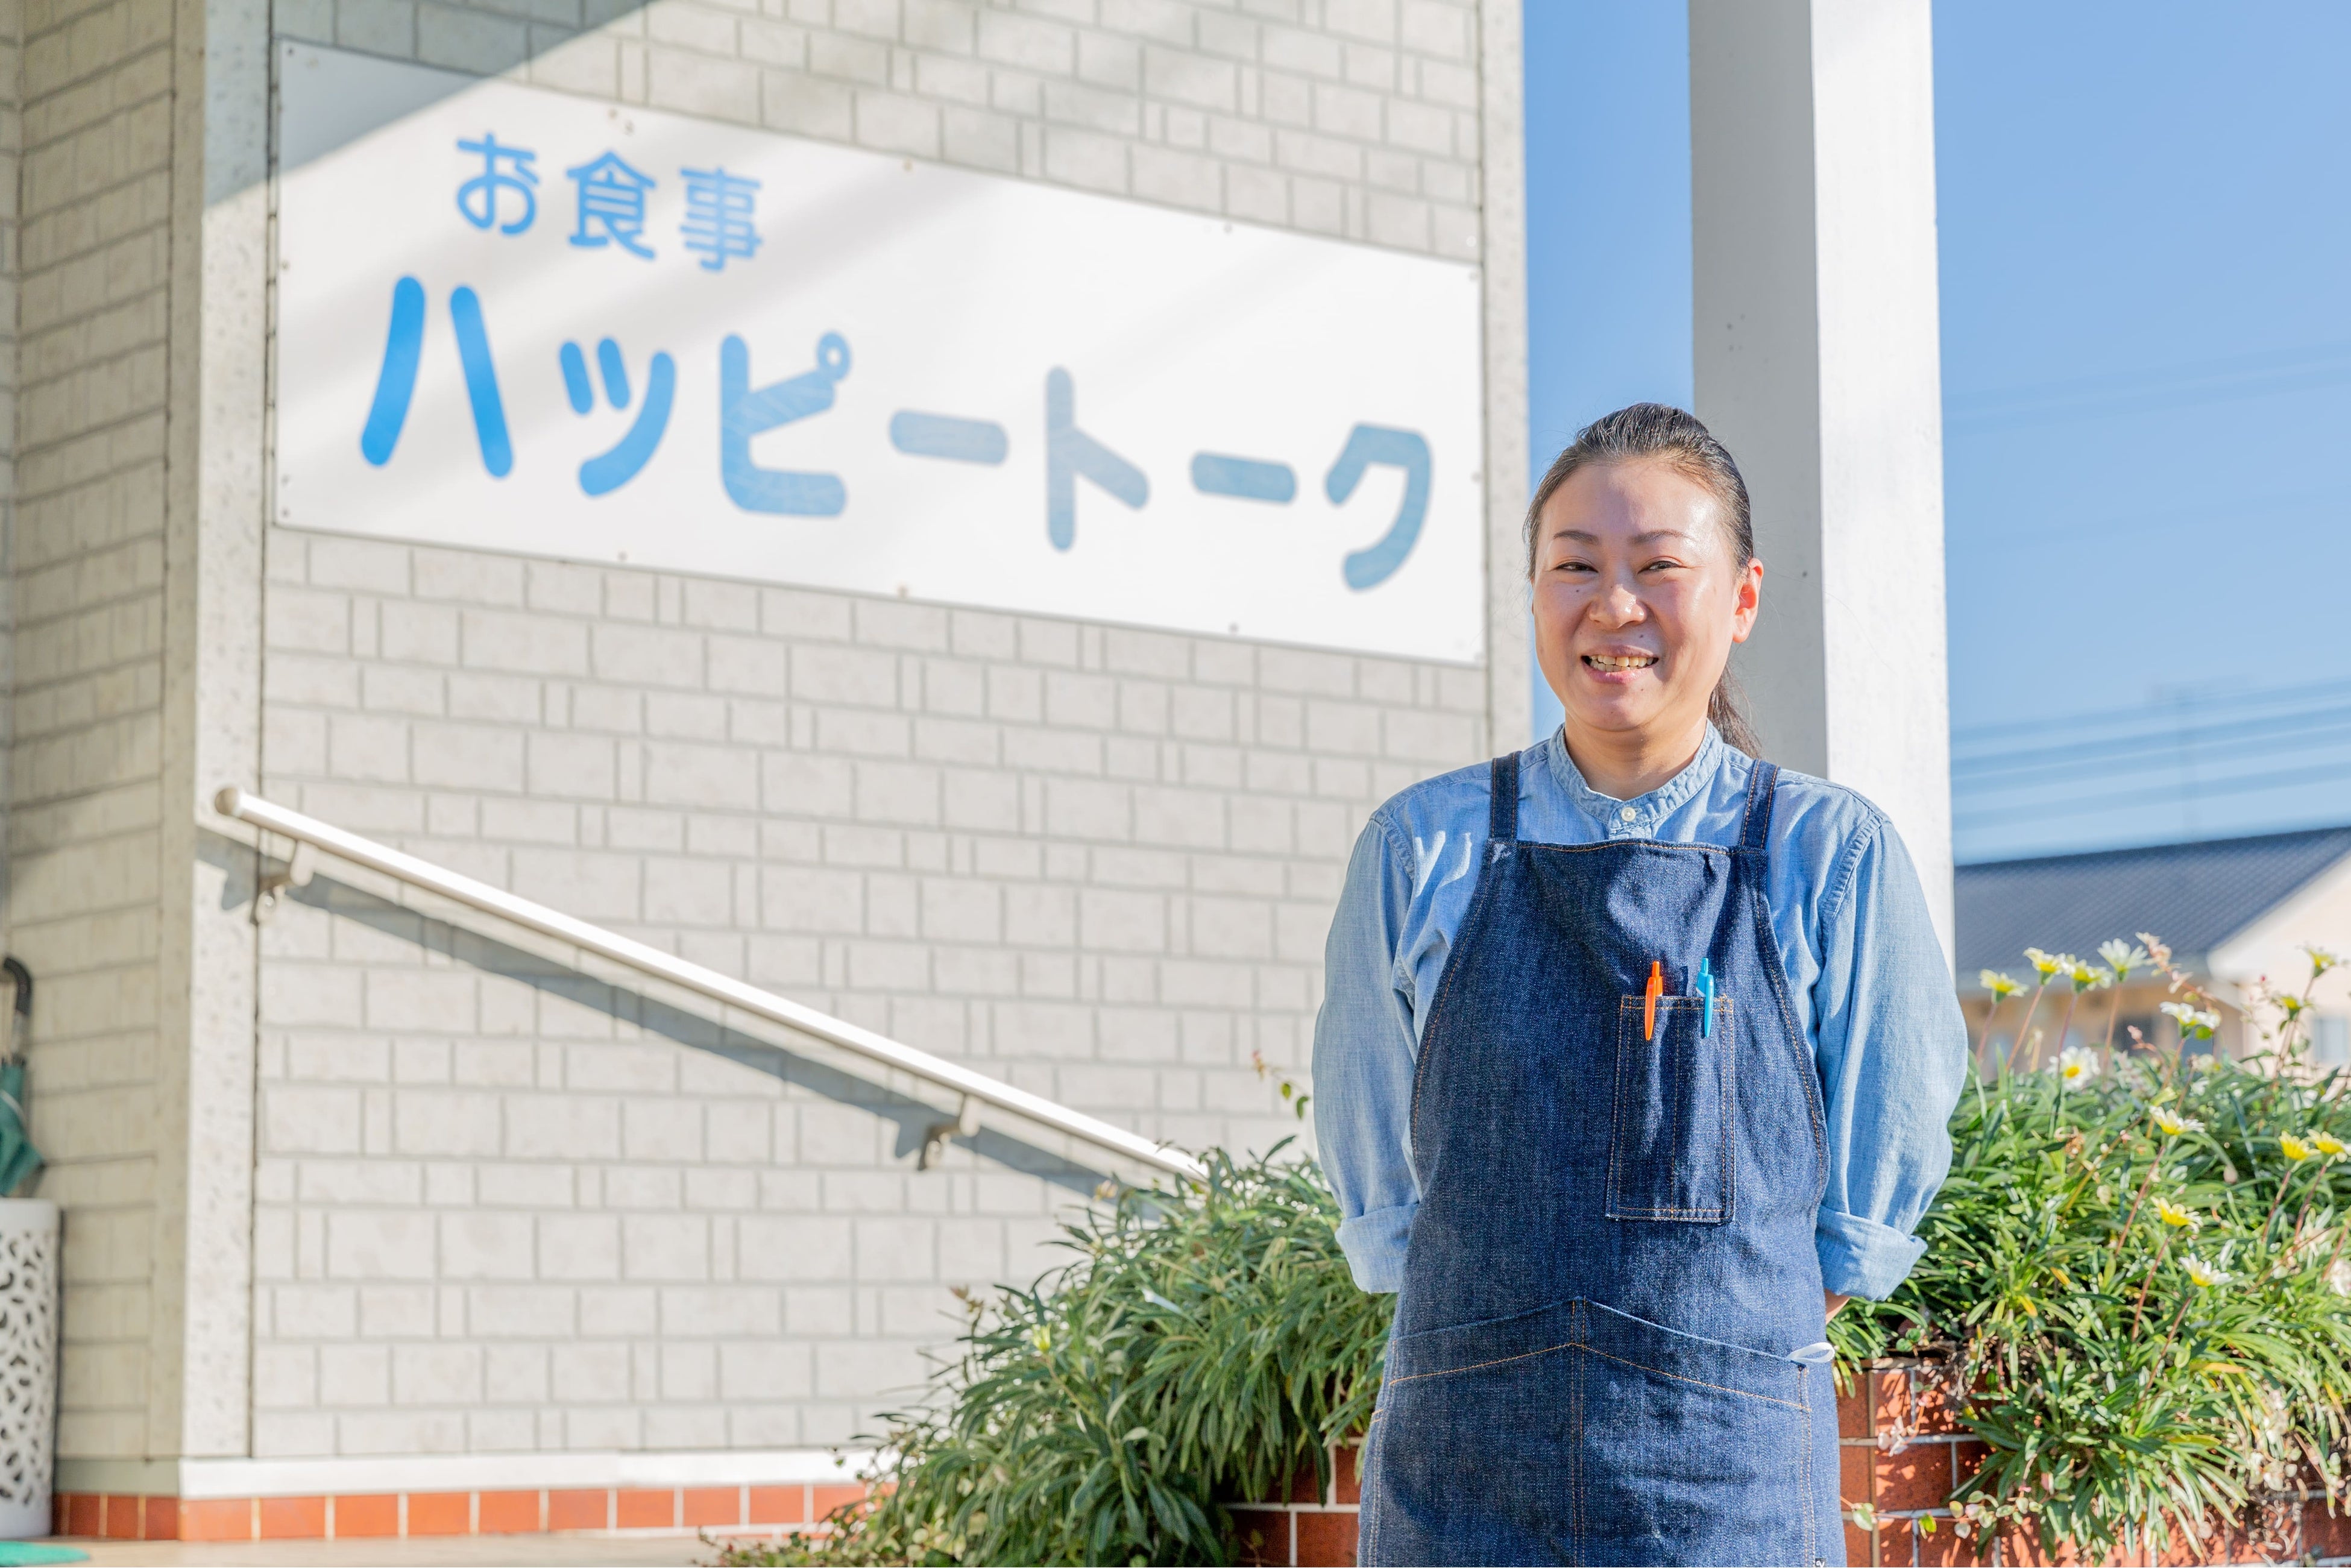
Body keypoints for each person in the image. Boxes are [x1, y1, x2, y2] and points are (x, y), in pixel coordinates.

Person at [1312, 404, 1968, 1567]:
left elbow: (1880, 1170)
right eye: (1575, 567)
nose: (1614, 606)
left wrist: (1724, 1336)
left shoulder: (1832, 854)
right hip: (1461, 1474)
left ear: (1743, 597)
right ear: (1533, 597)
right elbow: (1376, 1175)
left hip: (1728, 1481)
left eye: (1659, 566)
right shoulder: (1419, 849)